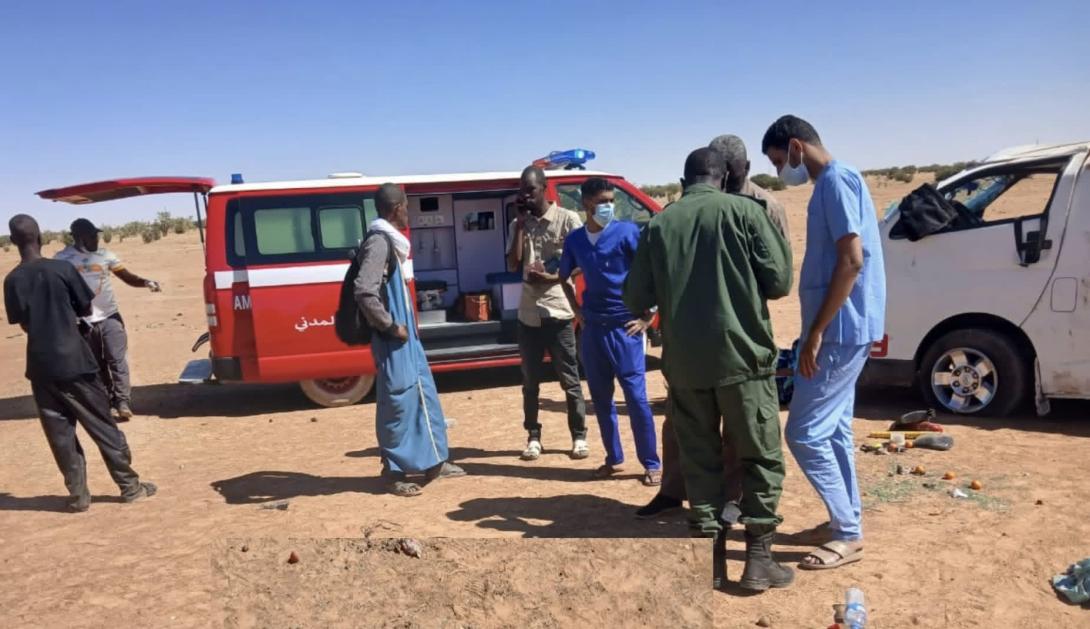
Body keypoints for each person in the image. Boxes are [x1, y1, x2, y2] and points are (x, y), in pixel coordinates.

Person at [624, 148, 794, 592]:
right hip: (743, 361)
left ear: (684, 182)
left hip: (686, 367)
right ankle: (758, 561)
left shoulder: (660, 224)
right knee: (759, 457)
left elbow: (635, 297)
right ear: (724, 177)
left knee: (699, 461)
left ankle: (711, 563)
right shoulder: (746, 212)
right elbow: (779, 282)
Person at [761, 115, 886, 571]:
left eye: (779, 161)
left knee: (804, 433)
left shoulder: (835, 181)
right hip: (840, 327)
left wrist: (815, 332)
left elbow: (851, 261)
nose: (781, 171)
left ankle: (848, 533)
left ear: (796, 147)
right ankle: (843, 521)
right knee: (834, 430)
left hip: (838, 331)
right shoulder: (834, 183)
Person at [4, 214, 156, 512]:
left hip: (41, 367)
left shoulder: (12, 280)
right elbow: (85, 308)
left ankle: (78, 496)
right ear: (41, 237)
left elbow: (23, 323)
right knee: (103, 425)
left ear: (12, 241)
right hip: (76, 361)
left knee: (60, 436)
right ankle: (130, 487)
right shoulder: (62, 269)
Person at [354, 184, 466, 497]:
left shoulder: (392, 242)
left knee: (422, 396)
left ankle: (435, 463)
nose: (408, 213)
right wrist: (391, 327)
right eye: (406, 206)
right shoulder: (379, 243)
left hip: (406, 341)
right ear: (396, 209)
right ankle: (393, 473)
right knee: (398, 405)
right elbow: (364, 291)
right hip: (393, 341)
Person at [557, 177, 661, 486]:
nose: (608, 206)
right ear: (586, 204)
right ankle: (614, 459)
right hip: (593, 329)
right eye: (602, 201)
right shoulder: (576, 240)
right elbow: (563, 276)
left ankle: (652, 463)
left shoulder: (627, 232)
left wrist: (648, 317)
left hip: (625, 328)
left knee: (636, 399)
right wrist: (577, 311)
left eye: (611, 201)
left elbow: (652, 272)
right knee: (601, 399)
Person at [506, 165, 588, 462]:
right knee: (530, 383)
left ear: (544, 188)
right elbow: (513, 264)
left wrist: (553, 278)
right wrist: (519, 225)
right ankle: (533, 436)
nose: (526, 195)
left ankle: (579, 436)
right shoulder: (519, 224)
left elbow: (581, 263)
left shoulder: (568, 219)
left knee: (570, 380)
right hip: (529, 315)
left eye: (530, 189)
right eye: (522, 190)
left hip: (559, 312)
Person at [55, 218, 161, 420]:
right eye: (92, 236)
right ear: (79, 237)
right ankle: (108, 400)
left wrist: (146, 282)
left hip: (110, 316)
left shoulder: (105, 255)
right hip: (83, 321)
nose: (97, 239)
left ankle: (122, 401)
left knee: (117, 358)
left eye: (97, 235)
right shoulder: (62, 259)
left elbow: (126, 277)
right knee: (96, 364)